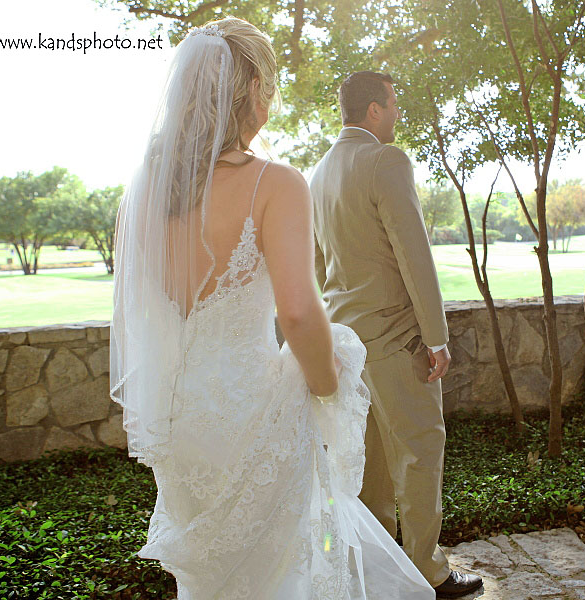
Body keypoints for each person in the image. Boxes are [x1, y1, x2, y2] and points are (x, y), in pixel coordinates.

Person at [111, 18, 434, 599]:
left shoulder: (148, 188)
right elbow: (300, 314)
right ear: (253, 88)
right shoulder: (274, 183)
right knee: (285, 569)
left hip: (180, 419)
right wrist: (328, 383)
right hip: (252, 416)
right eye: (271, 84)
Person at [309, 72, 483, 598]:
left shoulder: (318, 173)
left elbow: (319, 266)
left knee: (372, 466)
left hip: (345, 343)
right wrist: (435, 337)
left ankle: (381, 571)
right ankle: (428, 570)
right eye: (394, 103)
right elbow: (414, 254)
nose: (398, 113)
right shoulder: (386, 160)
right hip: (395, 339)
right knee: (420, 451)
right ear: (374, 109)